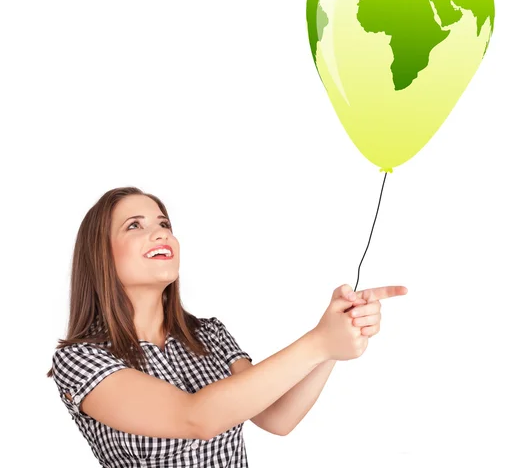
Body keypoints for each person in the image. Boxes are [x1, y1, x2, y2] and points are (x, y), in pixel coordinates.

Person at [47, 186, 407, 467]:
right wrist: (318, 342)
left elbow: (275, 417)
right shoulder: (81, 359)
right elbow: (197, 418)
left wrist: (333, 341)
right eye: (134, 226)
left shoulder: (209, 334)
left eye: (164, 224)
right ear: (101, 255)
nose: (160, 234)